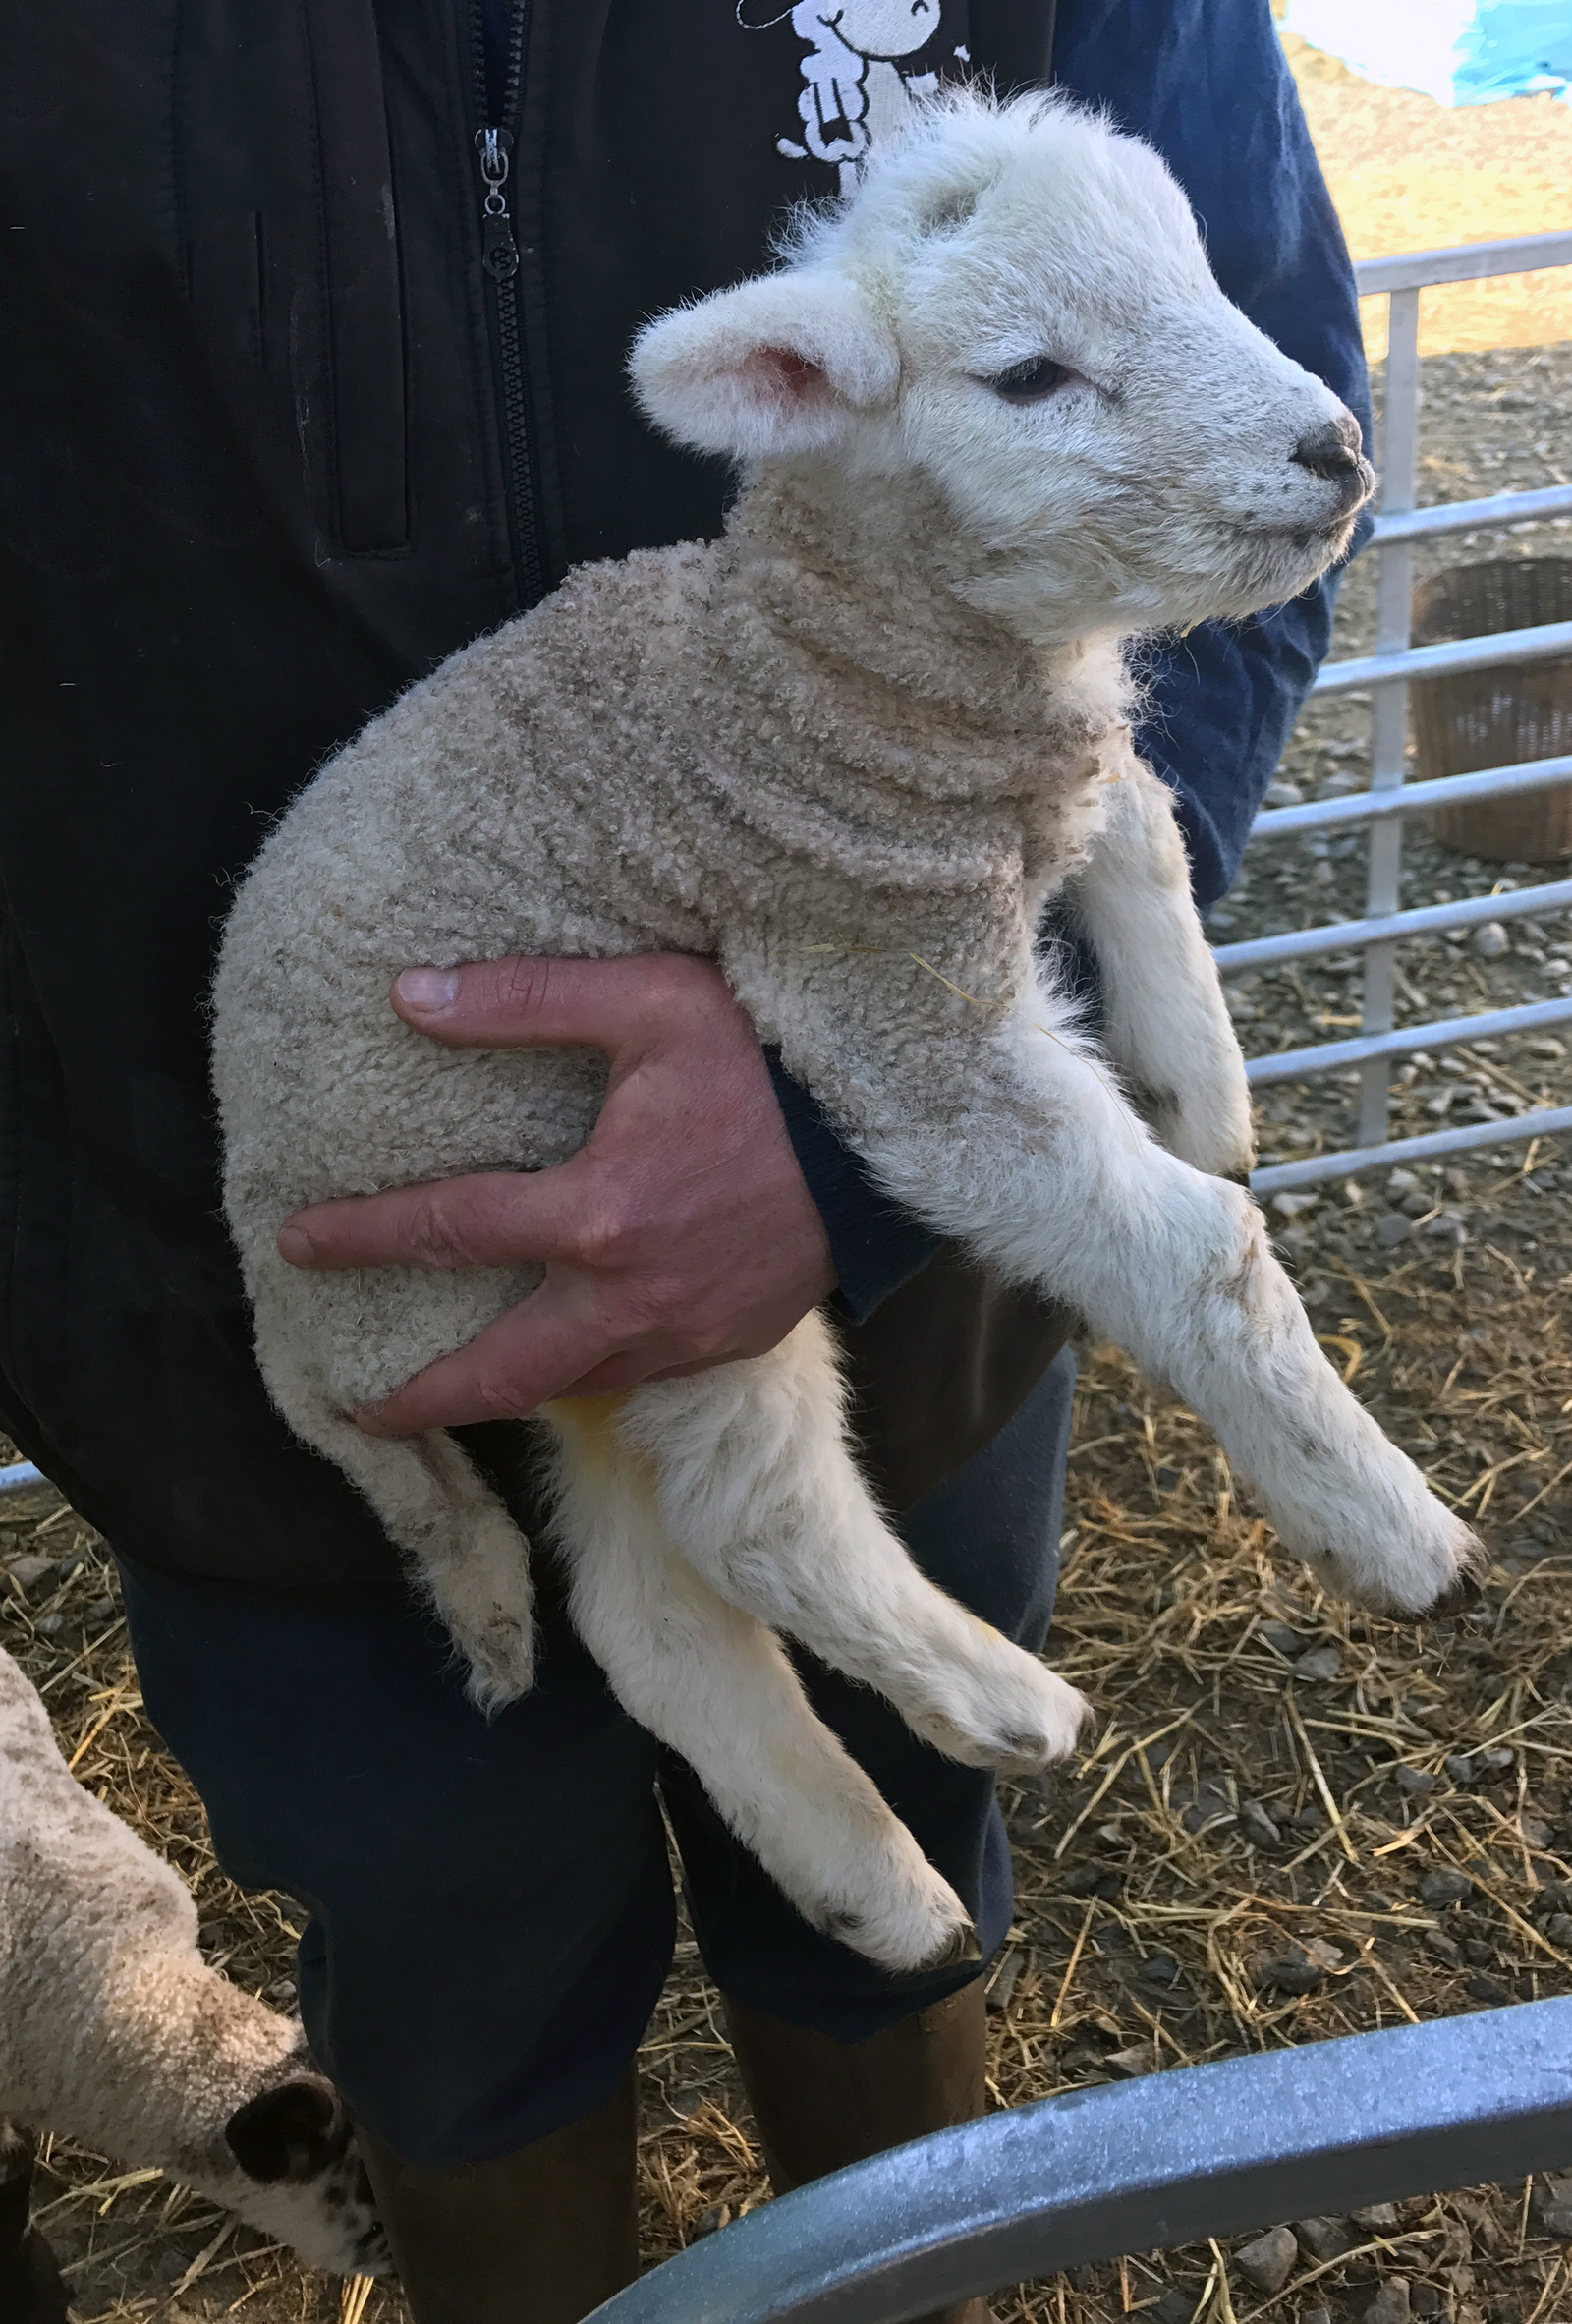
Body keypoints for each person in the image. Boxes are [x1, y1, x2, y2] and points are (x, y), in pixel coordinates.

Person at [0, 2, 1370, 2316]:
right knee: (457, 1990)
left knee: (892, 1861)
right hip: (273, 1302)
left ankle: (898, 2271)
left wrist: (846, 1137)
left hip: (896, 1285)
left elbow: (1257, 413)